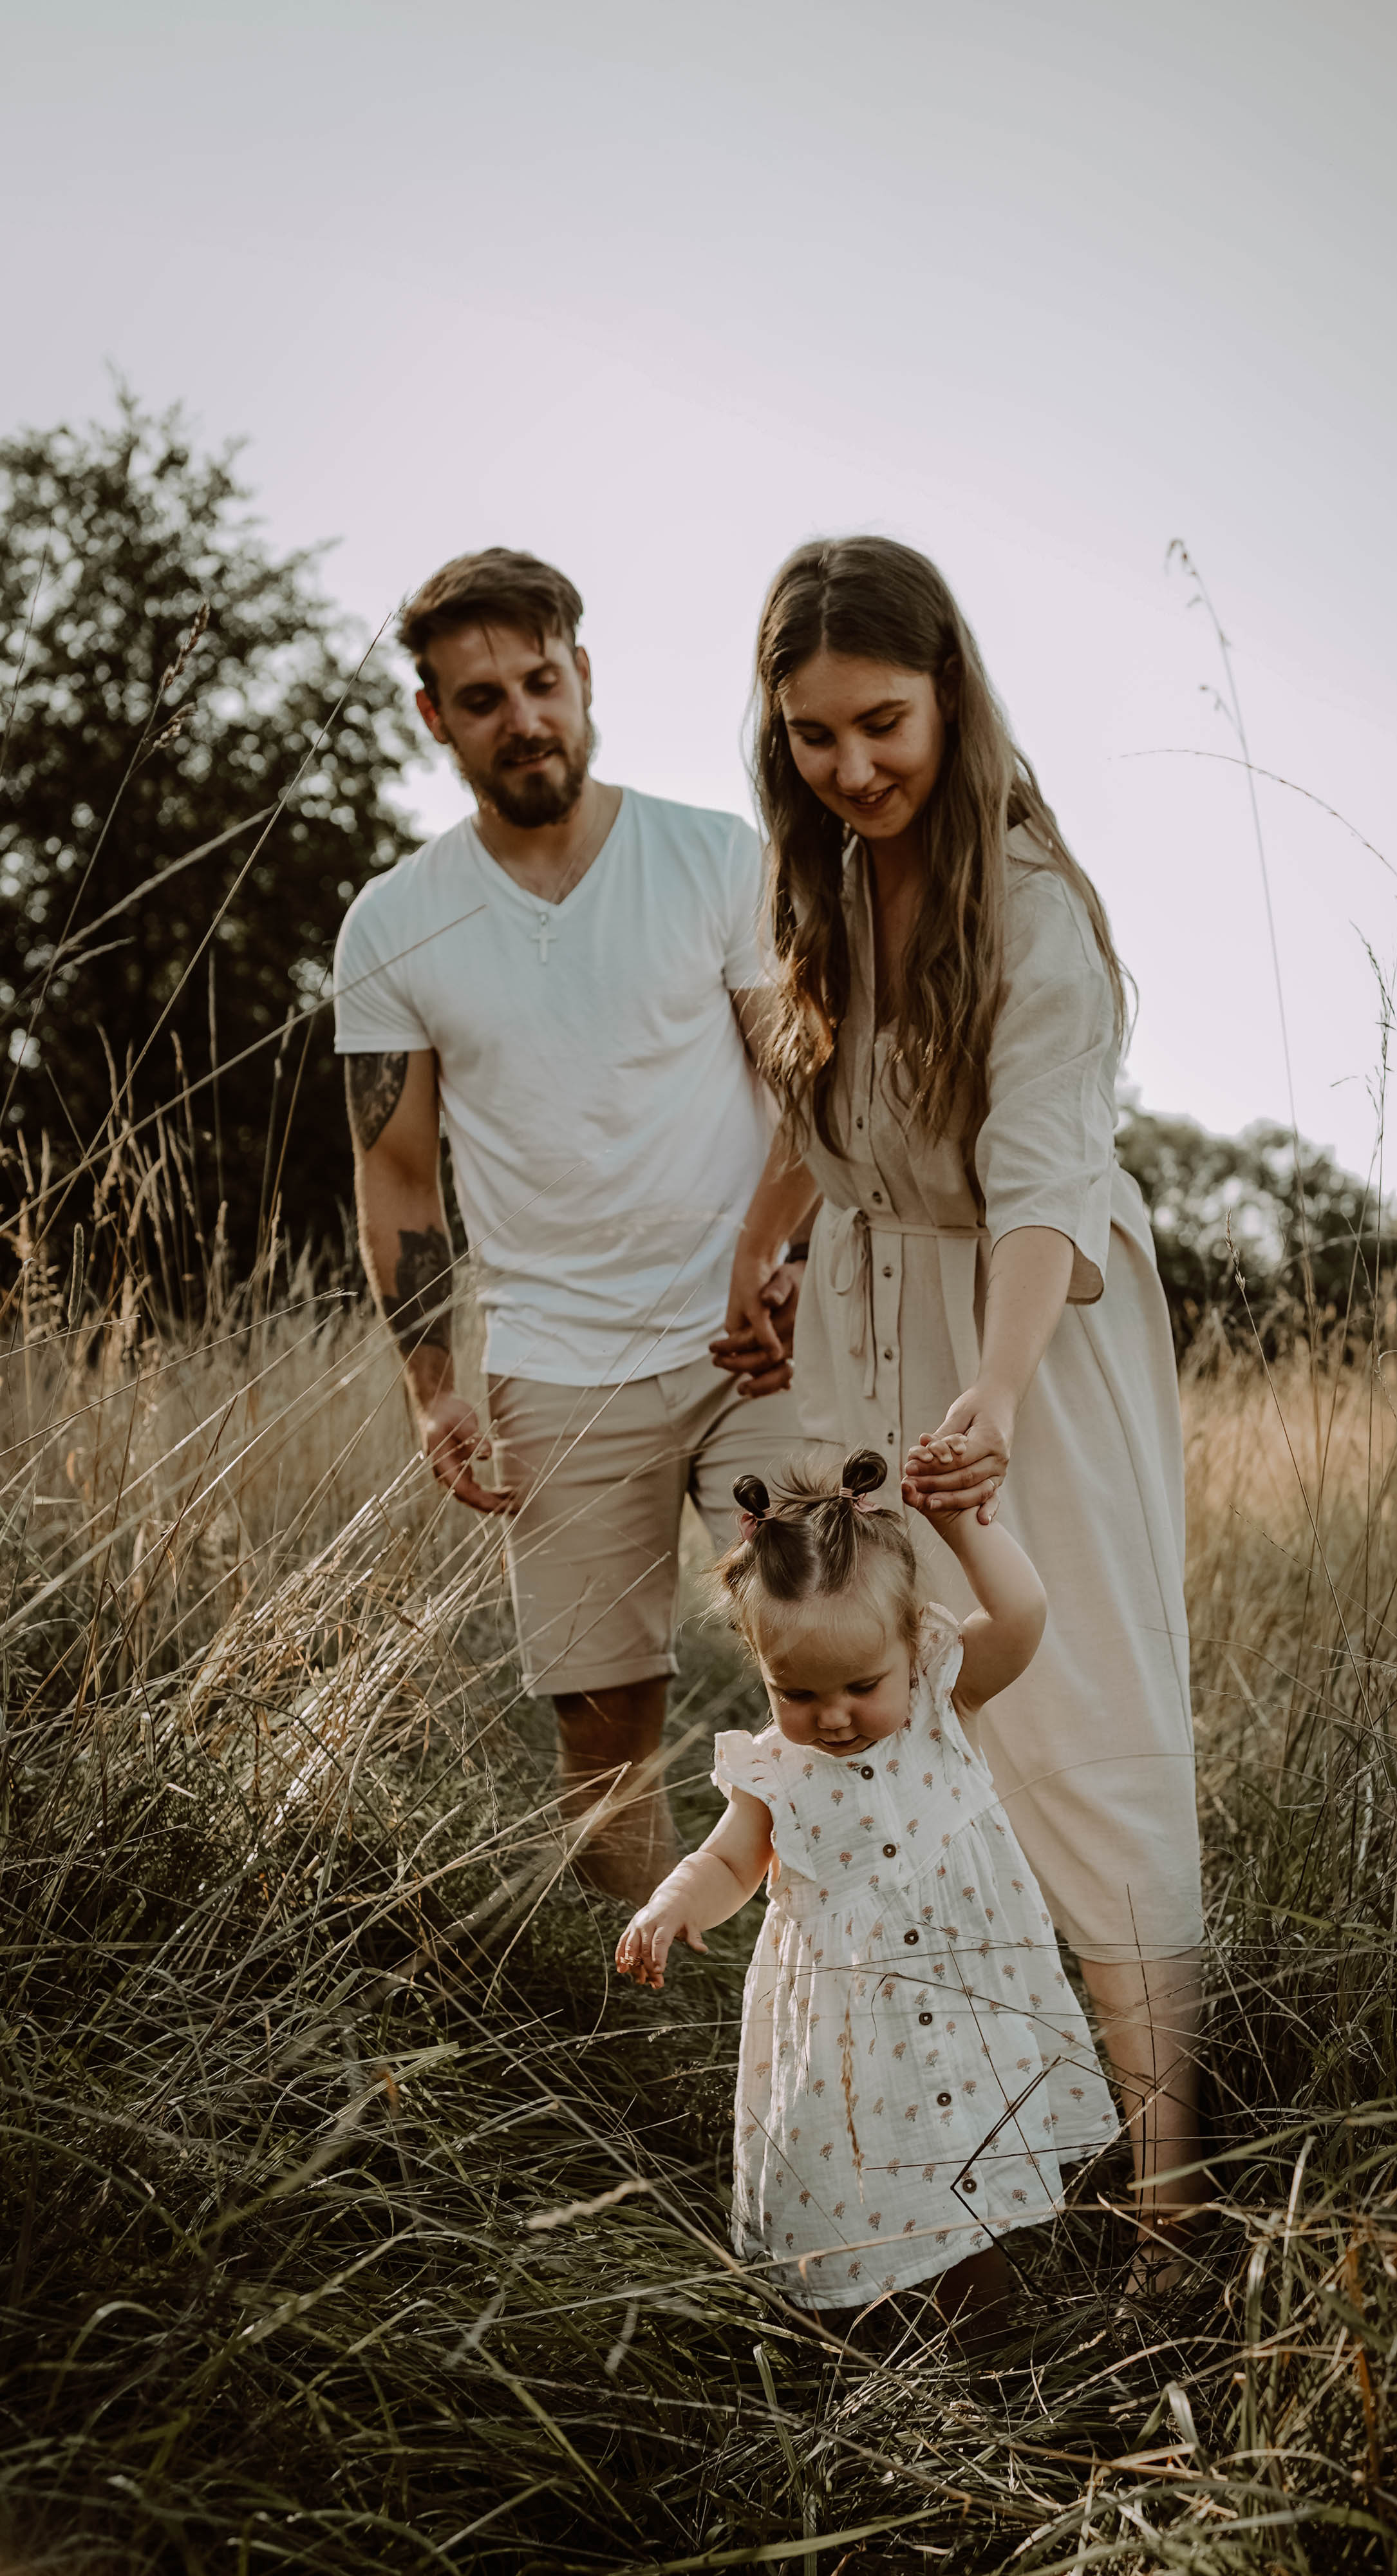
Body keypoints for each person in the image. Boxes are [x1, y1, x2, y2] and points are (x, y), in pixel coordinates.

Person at [712, 536, 1203, 2294]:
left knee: (1077, 1727)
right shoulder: (827, 883)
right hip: (860, 1310)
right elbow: (813, 1097)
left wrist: (990, 1390)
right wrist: (761, 1254)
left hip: (1027, 1322)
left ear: (951, 694)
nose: (854, 767)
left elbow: (1042, 1182)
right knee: (894, 1716)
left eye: (884, 725)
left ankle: (1164, 2207)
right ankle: (943, 2175)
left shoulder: (1033, 910)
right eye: (816, 737)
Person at [332, 548, 801, 1902]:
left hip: (753, 1347)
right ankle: (645, 2033)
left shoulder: (715, 857)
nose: (521, 717)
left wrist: (786, 1262)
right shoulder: (395, 925)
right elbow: (401, 1176)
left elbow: (804, 1088)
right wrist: (431, 1390)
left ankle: (843, 2002)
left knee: (833, 1668)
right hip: (555, 1366)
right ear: (433, 717)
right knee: (602, 1738)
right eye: (481, 698)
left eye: (542, 681)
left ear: (584, 677)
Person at [616, 1446, 1117, 2353]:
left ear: (910, 1649)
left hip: (967, 2012)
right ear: (760, 1664)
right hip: (856, 2047)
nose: (834, 1715)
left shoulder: (940, 1701)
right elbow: (729, 1863)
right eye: (797, 1692)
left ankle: (993, 2363)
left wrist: (963, 1526)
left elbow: (1022, 1613)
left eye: (861, 1685)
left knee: (972, 2187)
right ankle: (866, 2359)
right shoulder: (775, 1772)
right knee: (864, 2198)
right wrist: (672, 1904)